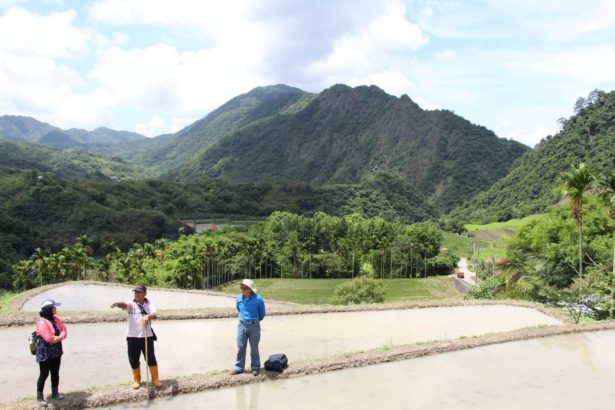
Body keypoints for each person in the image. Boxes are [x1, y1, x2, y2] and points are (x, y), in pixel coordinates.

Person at [111, 284, 162, 389]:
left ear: (145, 293)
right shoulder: (131, 304)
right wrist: (117, 303)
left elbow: (155, 314)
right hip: (132, 337)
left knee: (151, 358)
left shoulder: (150, 303)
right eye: (135, 292)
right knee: (133, 359)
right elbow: (123, 304)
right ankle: (136, 380)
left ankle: (155, 379)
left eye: (139, 292)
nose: (136, 294)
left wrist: (148, 316)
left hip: (147, 336)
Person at [35, 299, 68, 407]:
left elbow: (64, 330)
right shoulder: (41, 322)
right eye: (54, 307)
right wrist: (60, 337)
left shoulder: (56, 319)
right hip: (45, 351)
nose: (56, 309)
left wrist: (58, 337)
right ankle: (40, 398)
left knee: (55, 371)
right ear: (49, 309)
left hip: (56, 350)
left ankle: (55, 393)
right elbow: (49, 339)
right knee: (44, 374)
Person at [231, 279, 266, 376]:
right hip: (242, 326)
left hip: (254, 326)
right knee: (241, 346)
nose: (242, 290)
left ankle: (255, 367)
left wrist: (253, 321)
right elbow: (239, 310)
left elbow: (262, 314)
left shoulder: (258, 299)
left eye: (244, 288)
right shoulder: (239, 299)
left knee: (254, 347)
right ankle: (239, 367)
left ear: (250, 289)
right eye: (241, 288)